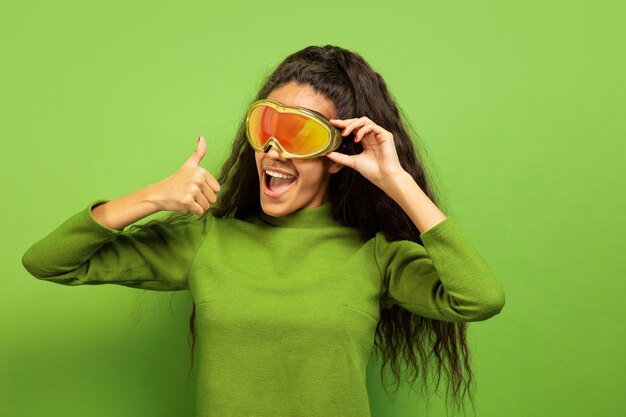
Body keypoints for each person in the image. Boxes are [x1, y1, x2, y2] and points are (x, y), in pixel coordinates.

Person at [21, 44, 505, 417]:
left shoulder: (376, 256)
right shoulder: (208, 242)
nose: (274, 150)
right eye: (265, 126)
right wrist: (152, 198)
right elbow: (48, 262)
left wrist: (396, 182)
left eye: (299, 133)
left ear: (339, 154)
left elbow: (478, 298)